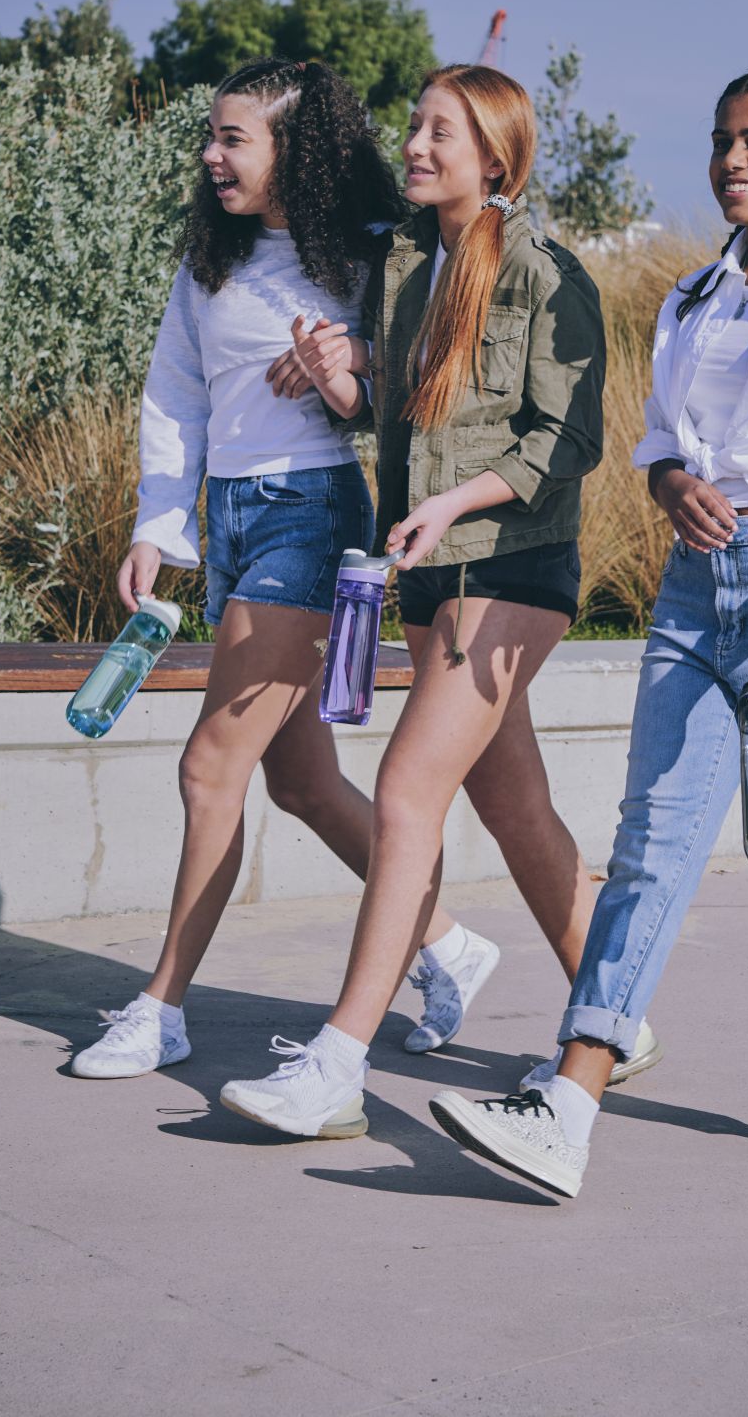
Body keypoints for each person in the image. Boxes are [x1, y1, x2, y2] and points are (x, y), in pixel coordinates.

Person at [430, 66, 748, 1197]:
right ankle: (568, 1104)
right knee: (651, 839)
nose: (730, 161)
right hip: (696, 590)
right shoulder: (696, 296)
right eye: (719, 141)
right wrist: (670, 487)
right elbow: (659, 438)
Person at [217, 63, 660, 1141]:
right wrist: (339, 372)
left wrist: (455, 499)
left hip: (508, 567)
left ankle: (337, 1065)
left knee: (406, 790)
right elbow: (392, 412)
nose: (413, 146)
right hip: (425, 568)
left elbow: (569, 440)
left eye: (439, 133)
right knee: (516, 807)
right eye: (414, 126)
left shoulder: (546, 273)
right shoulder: (409, 261)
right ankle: (617, 1014)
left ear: (494, 157)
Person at [70, 58, 499, 1094]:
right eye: (210, 137)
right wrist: (159, 526)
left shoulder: (368, 252)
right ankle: (448, 944)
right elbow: (174, 393)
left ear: (293, 150)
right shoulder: (210, 260)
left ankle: (162, 1009)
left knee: (208, 766)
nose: (212, 156)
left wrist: (347, 361)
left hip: (308, 516)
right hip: (229, 520)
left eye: (234, 139)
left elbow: (414, 371)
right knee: (298, 780)